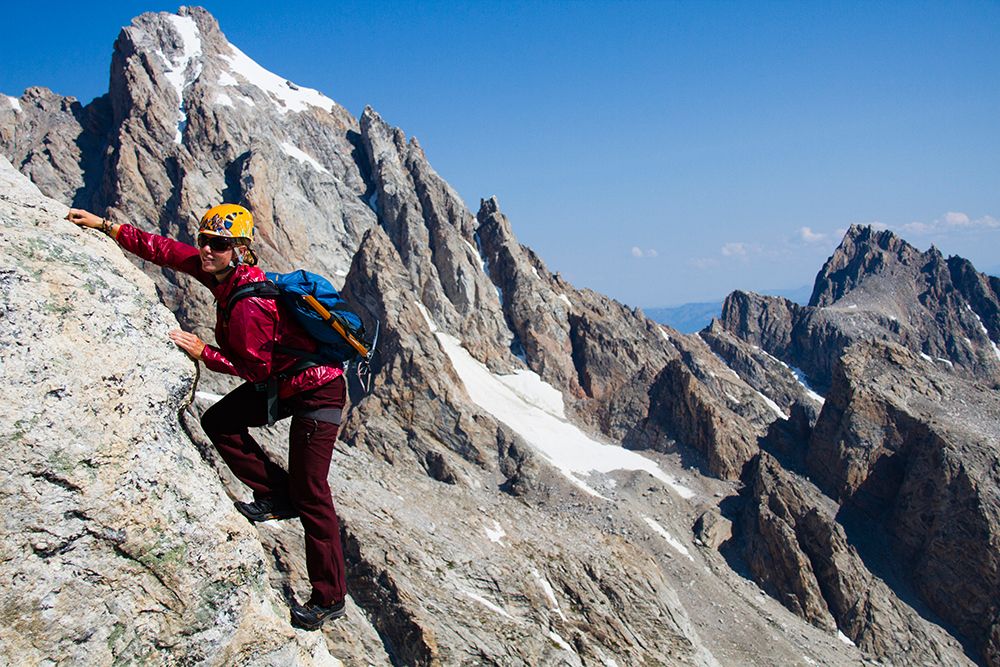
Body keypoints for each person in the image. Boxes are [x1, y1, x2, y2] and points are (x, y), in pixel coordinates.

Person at [67, 204, 348, 630]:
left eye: (218, 244)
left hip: (317, 391)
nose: (205, 249)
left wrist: (204, 353)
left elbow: (256, 370)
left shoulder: (249, 303)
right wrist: (107, 226)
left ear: (240, 250)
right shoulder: (221, 276)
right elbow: (165, 250)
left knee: (312, 491)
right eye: (203, 240)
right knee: (219, 421)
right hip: (286, 384)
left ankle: (329, 597)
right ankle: (276, 495)